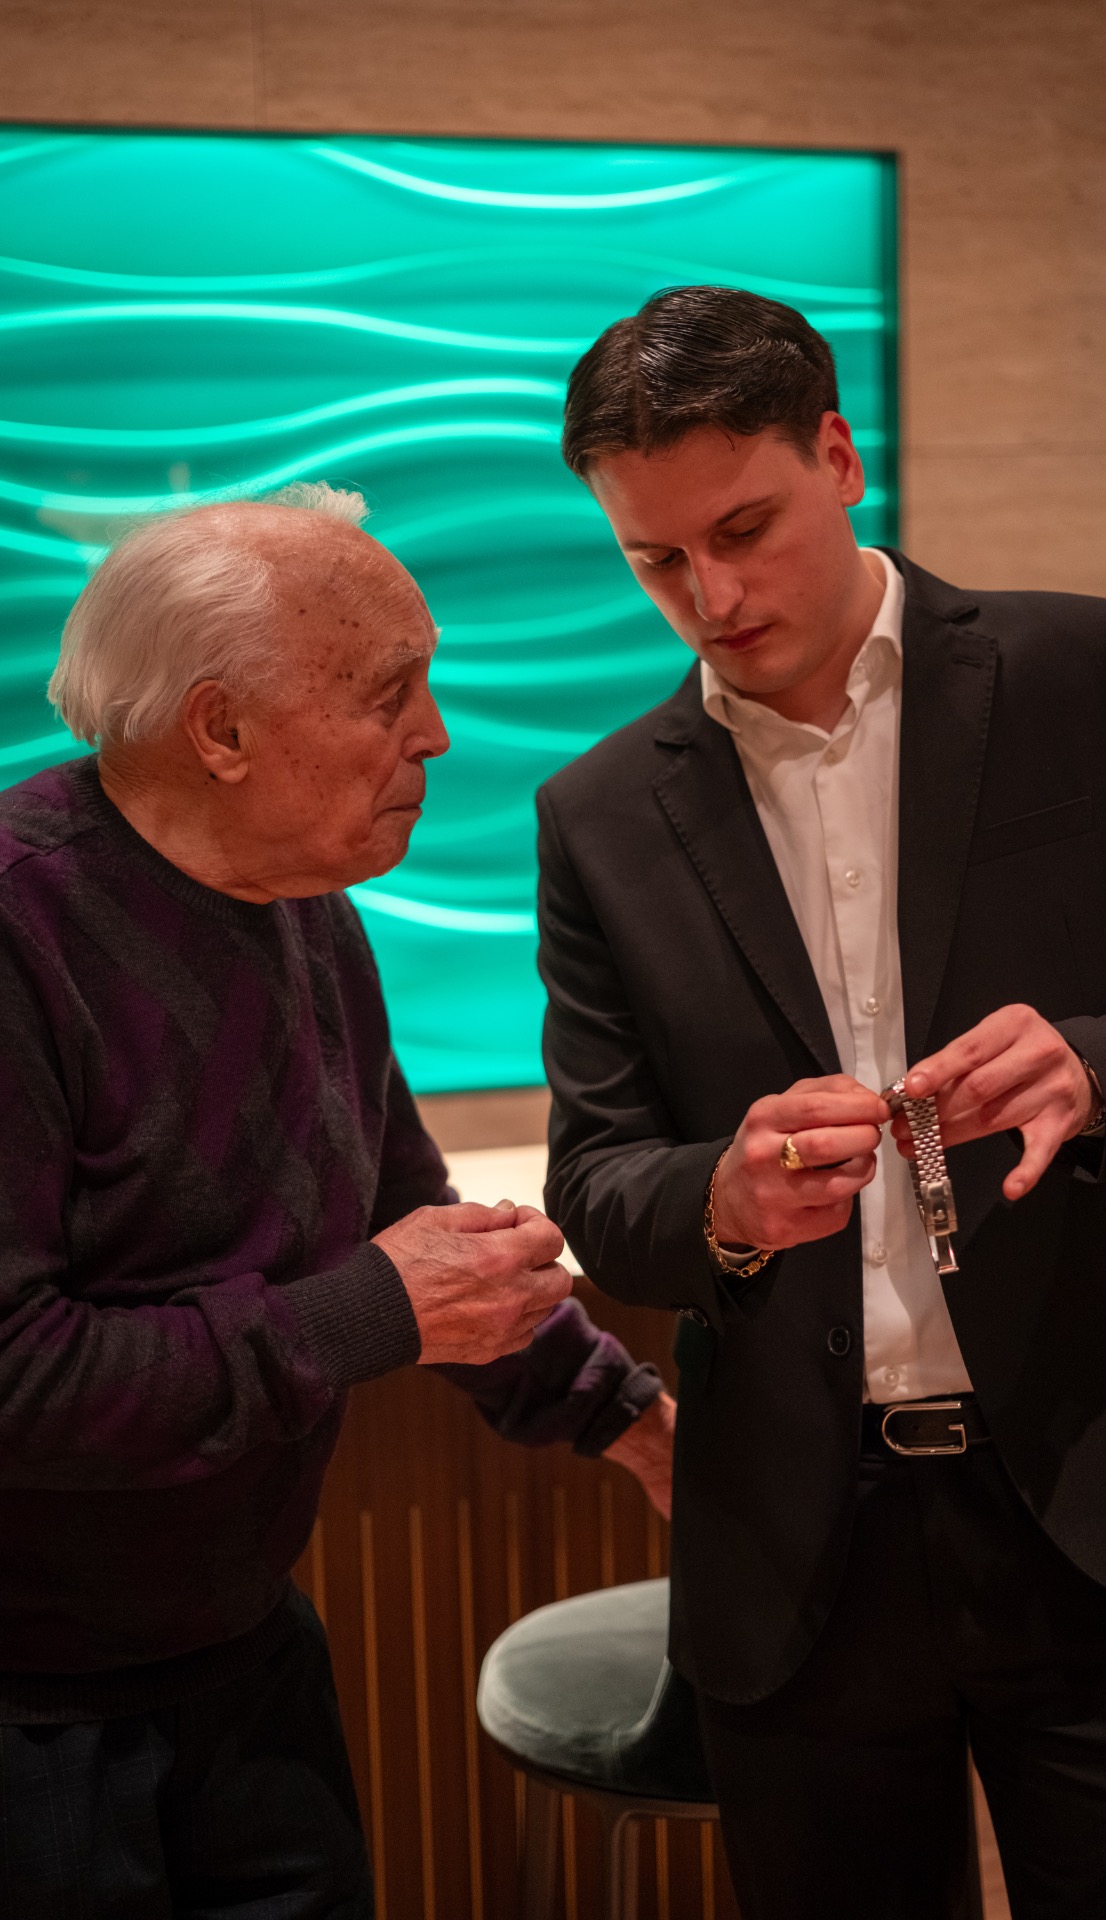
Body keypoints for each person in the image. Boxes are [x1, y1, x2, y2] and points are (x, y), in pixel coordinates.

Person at [535, 286, 1106, 1919]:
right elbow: (596, 1181)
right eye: (657, 561)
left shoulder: (1072, 668)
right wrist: (722, 1200)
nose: (712, 599)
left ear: (837, 455)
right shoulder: (597, 816)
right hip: (803, 1544)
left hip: (1101, 1481)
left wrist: (1099, 1071)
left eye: (744, 530)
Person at [0, 485, 674, 1918]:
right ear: (220, 730)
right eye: (388, 693)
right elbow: (18, 1375)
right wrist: (366, 1313)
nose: (434, 734)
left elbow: (411, 1229)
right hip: (33, 1719)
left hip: (244, 1654)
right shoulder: (18, 933)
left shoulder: (307, 901)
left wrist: (635, 1425)